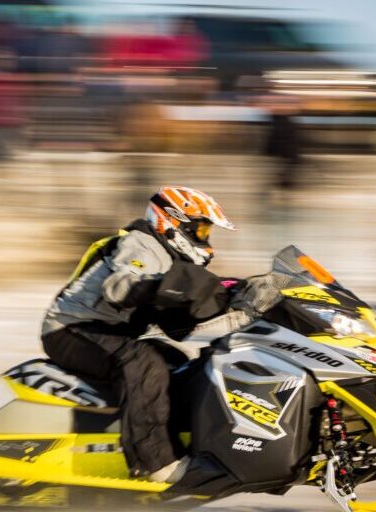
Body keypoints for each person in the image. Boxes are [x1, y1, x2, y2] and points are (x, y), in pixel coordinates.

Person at [40, 186, 236, 483]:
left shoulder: (169, 257)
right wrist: (174, 289)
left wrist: (234, 303)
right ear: (173, 222)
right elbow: (119, 288)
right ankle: (154, 463)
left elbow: (175, 325)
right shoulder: (141, 243)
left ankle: (180, 445)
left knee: (183, 362)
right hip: (70, 329)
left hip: (109, 331)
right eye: (200, 230)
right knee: (144, 362)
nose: (204, 239)